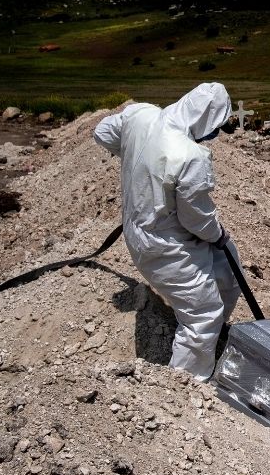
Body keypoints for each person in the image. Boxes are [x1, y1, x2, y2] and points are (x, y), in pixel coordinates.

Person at [93, 82, 240, 382]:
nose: (215, 134)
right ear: (207, 119)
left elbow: (102, 132)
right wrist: (218, 234)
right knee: (203, 313)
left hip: (143, 228)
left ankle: (213, 336)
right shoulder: (191, 156)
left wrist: (136, 162)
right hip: (166, 246)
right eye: (216, 126)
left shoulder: (140, 115)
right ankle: (185, 385)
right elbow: (196, 219)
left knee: (229, 270)